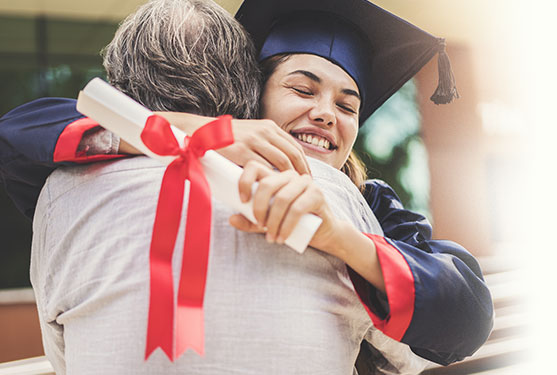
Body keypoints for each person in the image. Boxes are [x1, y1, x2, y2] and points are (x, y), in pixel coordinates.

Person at [0, 0, 493, 371]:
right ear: (248, 101)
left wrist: (341, 239)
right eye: (302, 90)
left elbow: (465, 309)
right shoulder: (193, 149)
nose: (325, 112)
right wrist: (202, 133)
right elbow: (25, 130)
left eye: (347, 106)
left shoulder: (366, 203)